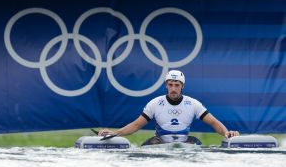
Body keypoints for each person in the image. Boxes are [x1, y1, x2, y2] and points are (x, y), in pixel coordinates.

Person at [99, 70, 240, 145]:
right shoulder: (154, 103)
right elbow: (136, 125)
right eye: (170, 85)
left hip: (185, 141)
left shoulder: (193, 103)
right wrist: (114, 133)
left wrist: (227, 133)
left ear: (182, 86)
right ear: (166, 85)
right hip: (159, 141)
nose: (173, 88)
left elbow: (213, 122)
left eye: (177, 85)